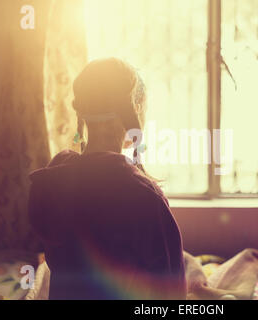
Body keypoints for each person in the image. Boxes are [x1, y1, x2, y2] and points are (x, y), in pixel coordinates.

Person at [28, 58, 186, 300]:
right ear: (134, 110)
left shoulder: (54, 176)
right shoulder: (143, 194)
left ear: (81, 112)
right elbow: (172, 296)